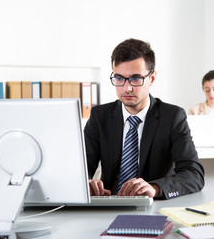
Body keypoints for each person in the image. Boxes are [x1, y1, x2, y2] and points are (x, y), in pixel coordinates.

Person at [84, 38, 205, 199]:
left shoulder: (172, 117)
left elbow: (194, 175)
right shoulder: (100, 116)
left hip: (153, 207)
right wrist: (86, 182)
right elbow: (79, 169)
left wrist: (155, 188)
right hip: (108, 204)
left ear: (152, 78)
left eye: (135, 79)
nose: (127, 88)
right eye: (119, 78)